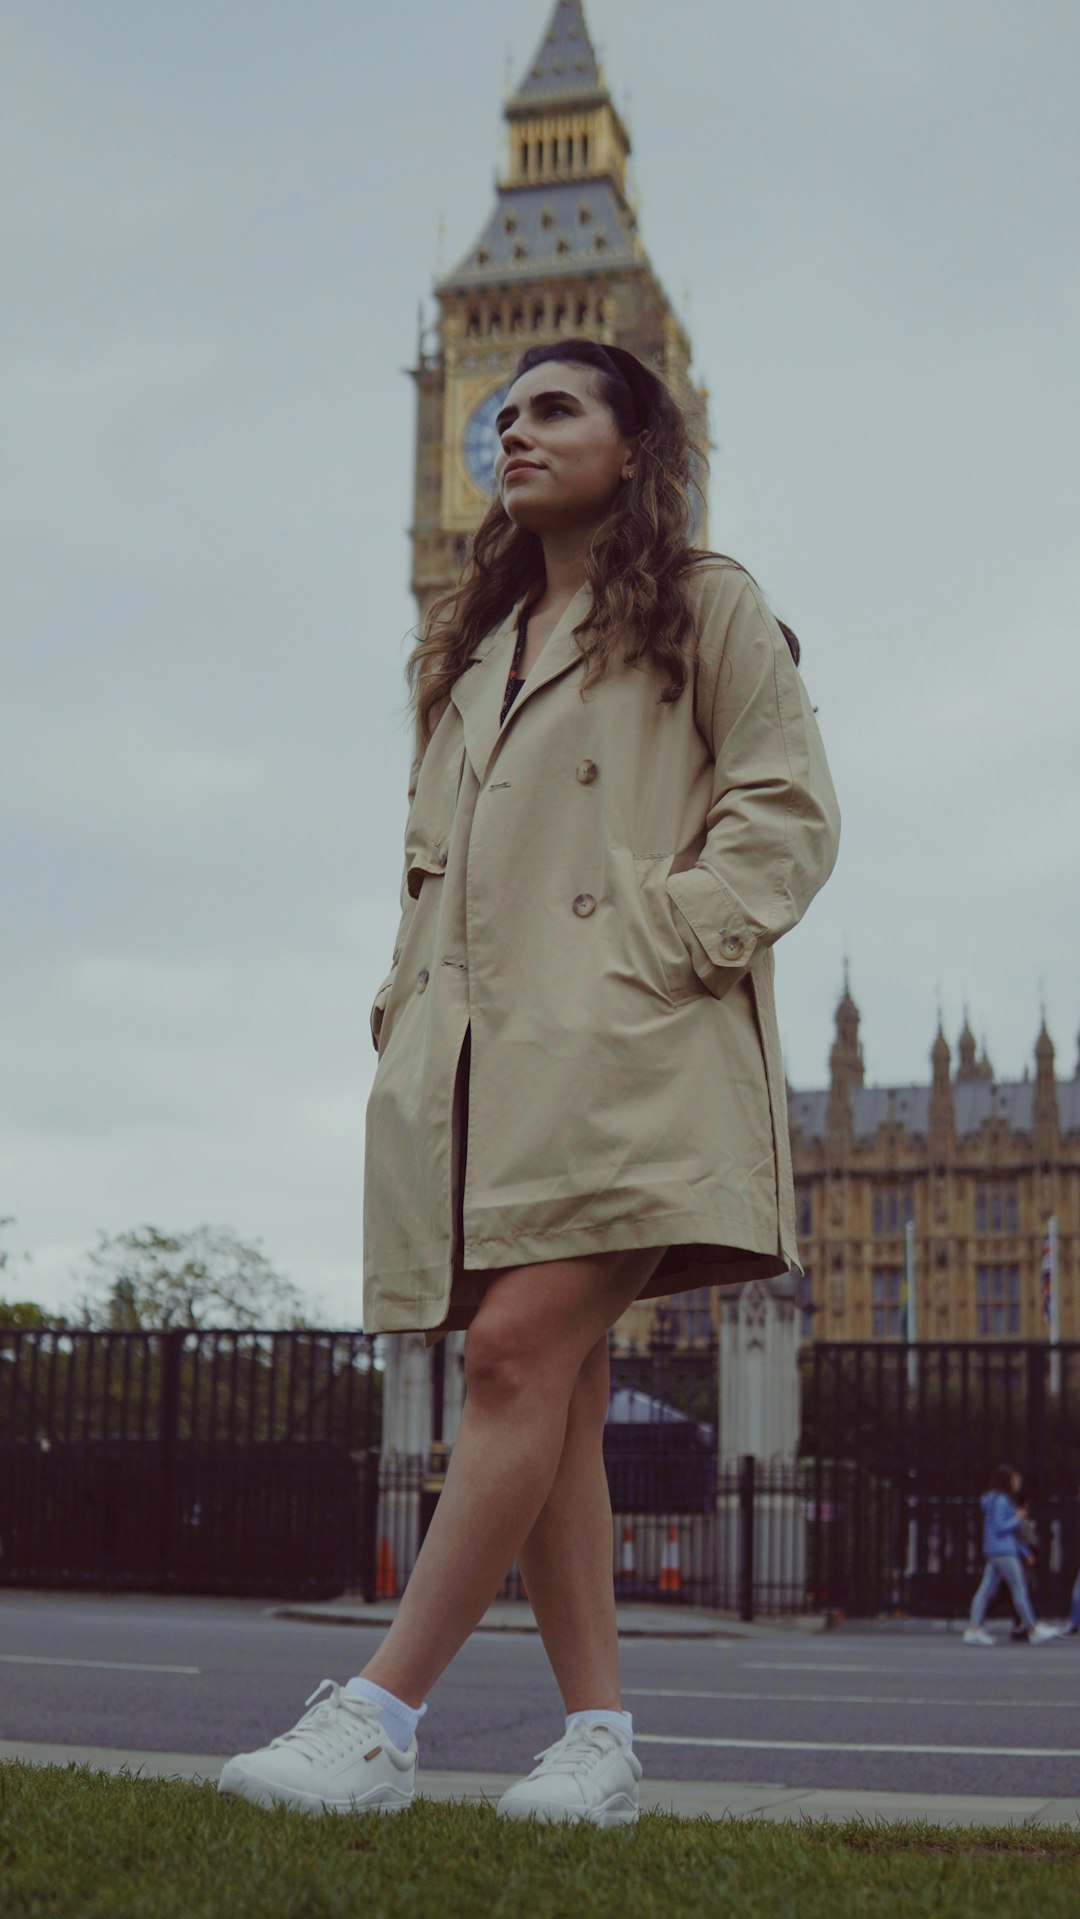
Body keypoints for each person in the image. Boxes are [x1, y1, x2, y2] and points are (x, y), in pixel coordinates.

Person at [218, 339, 841, 1823]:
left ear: (638, 446)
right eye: (502, 411)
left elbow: (787, 805)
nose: (514, 427)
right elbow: (433, 880)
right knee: (551, 1394)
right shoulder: (473, 648)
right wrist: (400, 1014)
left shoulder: (706, 599)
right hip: (483, 1071)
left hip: (633, 1049)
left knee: (505, 1357)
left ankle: (378, 1714)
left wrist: (662, 935)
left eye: (556, 407)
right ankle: (602, 1741)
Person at [963, 1463, 1058, 1646]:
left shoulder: (992, 1500)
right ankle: (1032, 1628)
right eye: (1015, 1479)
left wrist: (1023, 1550)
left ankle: (974, 1628)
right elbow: (1002, 1527)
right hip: (1004, 1551)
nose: (1017, 1483)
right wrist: (1018, 1518)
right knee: (1019, 1589)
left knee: (985, 1591)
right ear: (1007, 1481)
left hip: (995, 1550)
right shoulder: (1001, 1501)